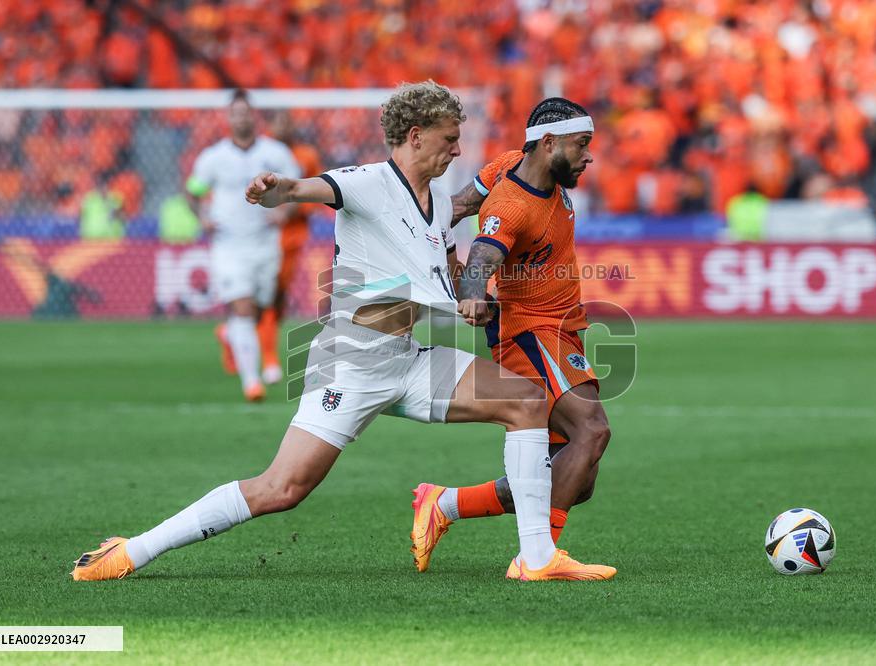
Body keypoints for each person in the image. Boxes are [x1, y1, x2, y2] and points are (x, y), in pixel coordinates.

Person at [70, 82, 615, 583]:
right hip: (351, 364)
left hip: (407, 357)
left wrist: (473, 299)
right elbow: (306, 189)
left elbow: (449, 270)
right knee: (281, 488)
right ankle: (133, 549)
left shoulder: (437, 207)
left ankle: (535, 558)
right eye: (449, 139)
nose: (457, 150)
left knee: (525, 402)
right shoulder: (369, 183)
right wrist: (276, 189)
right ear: (415, 136)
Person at [411, 98, 615, 576]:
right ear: (550, 144)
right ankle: (539, 559)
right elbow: (482, 256)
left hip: (563, 327)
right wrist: (470, 291)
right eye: (582, 145)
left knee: (574, 476)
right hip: (529, 330)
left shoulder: (509, 163)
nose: (589, 156)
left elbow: (457, 208)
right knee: (592, 431)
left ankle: (444, 504)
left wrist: (432, 232)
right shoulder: (513, 205)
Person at [186, 89, 301, 401]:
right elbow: (193, 191)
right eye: (235, 113)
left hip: (265, 241)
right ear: (228, 118)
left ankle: (230, 334)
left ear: (254, 116)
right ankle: (252, 382)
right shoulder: (213, 158)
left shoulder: (276, 153)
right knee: (244, 307)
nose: (241, 119)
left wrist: (285, 212)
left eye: (245, 113)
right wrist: (202, 217)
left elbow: (296, 188)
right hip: (229, 244)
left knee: (260, 310)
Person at [258, 111, 326, 384]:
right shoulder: (260, 153)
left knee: (279, 296)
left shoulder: (306, 155)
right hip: (260, 236)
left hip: (292, 236)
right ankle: (269, 358)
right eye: (278, 121)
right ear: (270, 125)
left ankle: (235, 333)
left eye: (287, 121)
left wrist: (290, 212)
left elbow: (316, 192)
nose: (284, 126)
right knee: (264, 294)